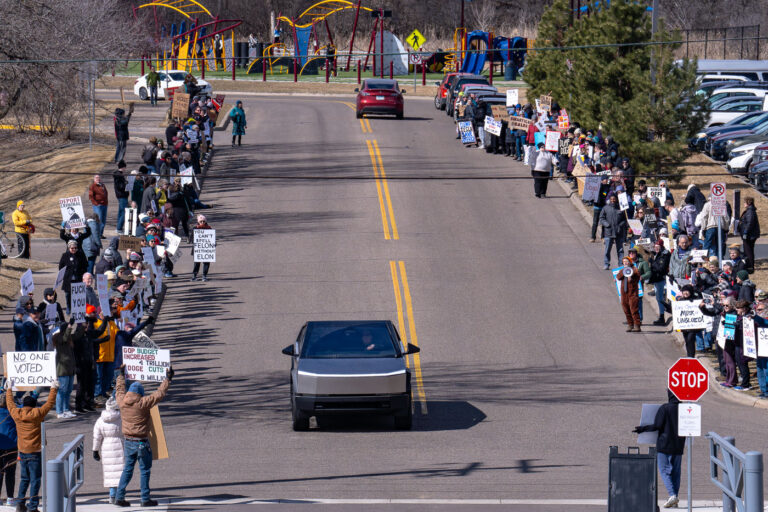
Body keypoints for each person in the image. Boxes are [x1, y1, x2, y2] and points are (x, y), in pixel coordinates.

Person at [114, 366, 173, 508]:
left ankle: (119, 496)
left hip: (128, 441)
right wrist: (168, 379)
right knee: (145, 470)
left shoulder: (122, 401)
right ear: (140, 393)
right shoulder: (143, 403)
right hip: (141, 441)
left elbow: (119, 389)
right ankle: (145, 498)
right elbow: (159, 394)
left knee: (127, 469)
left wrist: (121, 375)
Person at [5, 381, 58, 512]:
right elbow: (49, 403)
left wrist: (9, 389)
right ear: (33, 406)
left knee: (24, 478)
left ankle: (20, 503)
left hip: (22, 451)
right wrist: (53, 388)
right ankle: (32, 506)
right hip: (35, 452)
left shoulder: (17, 414)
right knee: (35, 479)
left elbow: (10, 404)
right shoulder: (37, 414)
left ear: (23, 405)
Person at [633, 390, 685, 509]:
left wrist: (642, 429)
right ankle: (675, 498)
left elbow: (657, 426)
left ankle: (672, 495)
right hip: (678, 445)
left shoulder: (665, 408)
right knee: (676, 473)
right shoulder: (684, 409)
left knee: (664, 470)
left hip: (664, 445)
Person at [93, 397, 124, 505]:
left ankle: (112, 495)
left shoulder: (100, 420)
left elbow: (97, 437)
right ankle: (120, 495)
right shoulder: (121, 418)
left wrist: (95, 450)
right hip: (119, 444)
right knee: (120, 471)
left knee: (110, 472)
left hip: (106, 446)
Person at [52, 322, 79, 419]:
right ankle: (59, 411)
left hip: (70, 369)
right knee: (62, 391)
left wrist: (83, 326)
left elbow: (76, 335)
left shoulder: (68, 339)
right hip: (62, 370)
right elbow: (64, 338)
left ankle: (66, 409)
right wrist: (69, 328)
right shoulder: (58, 338)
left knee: (68, 391)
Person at [599, 194, 627, 270]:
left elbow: (625, 220)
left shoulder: (621, 209)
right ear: (609, 200)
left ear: (616, 200)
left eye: (614, 199)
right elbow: (601, 218)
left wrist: (620, 225)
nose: (613, 201)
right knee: (607, 249)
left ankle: (621, 264)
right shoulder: (605, 208)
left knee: (620, 250)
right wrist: (606, 224)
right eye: (611, 199)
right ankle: (606, 263)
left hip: (619, 232)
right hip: (608, 232)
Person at [59, 240, 88, 311]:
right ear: (69, 248)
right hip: (68, 279)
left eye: (75, 248)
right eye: (72, 248)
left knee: (77, 295)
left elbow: (85, 265)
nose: (74, 249)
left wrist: (83, 274)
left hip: (78, 278)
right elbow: (61, 267)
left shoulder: (81, 255)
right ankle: (68, 307)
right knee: (68, 294)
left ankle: (76, 308)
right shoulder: (65, 255)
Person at [648, 239, 671, 326]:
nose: (656, 249)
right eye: (655, 247)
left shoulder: (664, 255)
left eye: (658, 247)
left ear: (661, 246)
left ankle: (662, 316)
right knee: (659, 298)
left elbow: (661, 268)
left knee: (660, 298)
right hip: (657, 279)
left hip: (661, 279)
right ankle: (662, 314)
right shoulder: (658, 254)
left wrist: (652, 262)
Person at [0, 392, 17, 507]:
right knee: (10, 474)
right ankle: (10, 498)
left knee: (0, 474)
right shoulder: (14, 413)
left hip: (0, 447)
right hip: (12, 447)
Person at [616, 256, 641, 332]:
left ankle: (637, 325)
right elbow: (618, 277)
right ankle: (630, 324)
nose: (625, 263)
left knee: (634, 309)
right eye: (624, 262)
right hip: (624, 293)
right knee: (626, 309)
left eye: (627, 261)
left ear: (630, 262)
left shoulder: (634, 269)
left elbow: (638, 277)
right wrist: (624, 272)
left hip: (632, 293)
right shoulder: (622, 270)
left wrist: (631, 277)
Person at [737, 197, 760, 272]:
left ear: (748, 203)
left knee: (748, 251)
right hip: (749, 234)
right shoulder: (749, 211)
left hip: (750, 235)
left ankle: (750, 267)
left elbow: (750, 223)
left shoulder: (750, 211)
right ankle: (749, 265)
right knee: (748, 250)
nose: (744, 204)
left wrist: (746, 232)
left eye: (744, 202)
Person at [190, 214, 213, 281]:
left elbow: (212, 238)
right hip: (197, 248)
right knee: (197, 262)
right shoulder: (195, 228)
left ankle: (204, 275)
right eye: (201, 221)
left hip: (206, 248)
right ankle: (194, 275)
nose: (202, 223)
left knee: (206, 262)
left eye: (203, 221)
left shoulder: (209, 228)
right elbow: (191, 238)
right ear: (198, 222)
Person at [113, 161, 130, 235]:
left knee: (121, 212)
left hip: (121, 195)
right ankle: (119, 228)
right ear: (123, 167)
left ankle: (118, 227)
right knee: (124, 212)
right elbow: (120, 186)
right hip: (122, 195)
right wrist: (126, 183)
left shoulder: (118, 175)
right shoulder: (119, 176)